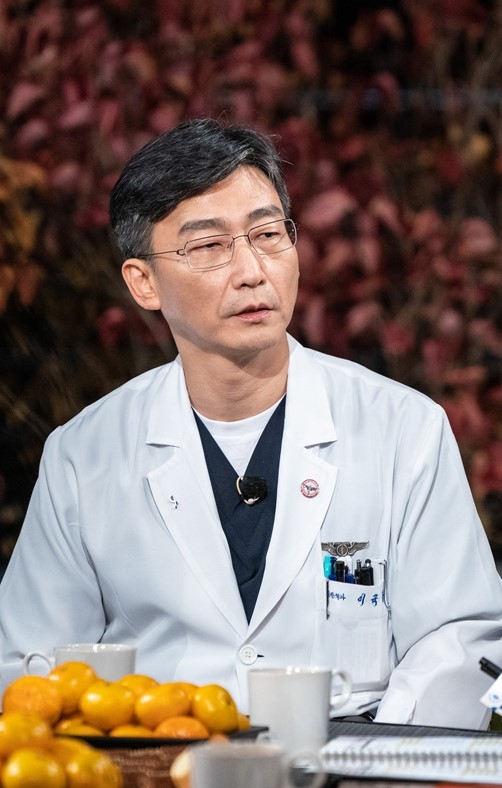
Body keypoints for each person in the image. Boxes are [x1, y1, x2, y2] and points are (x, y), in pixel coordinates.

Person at [1, 117, 502, 729]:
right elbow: (32, 663)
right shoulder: (83, 456)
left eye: (267, 234)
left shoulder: (404, 430)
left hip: (360, 757)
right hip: (159, 757)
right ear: (143, 282)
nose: (251, 270)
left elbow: (459, 637)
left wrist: (374, 757)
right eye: (208, 246)